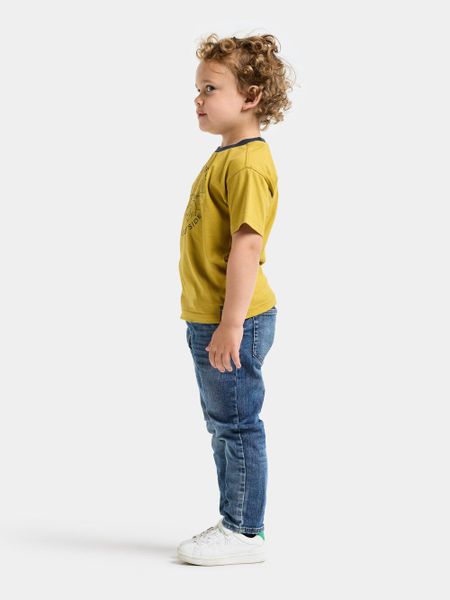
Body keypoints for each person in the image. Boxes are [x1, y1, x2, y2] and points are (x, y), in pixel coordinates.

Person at [177, 33, 295, 566]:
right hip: (212, 318)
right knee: (223, 424)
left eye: (210, 88)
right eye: (198, 88)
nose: (198, 98)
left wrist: (231, 325)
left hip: (233, 321)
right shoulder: (227, 156)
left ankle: (244, 533)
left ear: (250, 96)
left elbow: (247, 247)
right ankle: (235, 520)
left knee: (238, 425)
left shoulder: (246, 164)